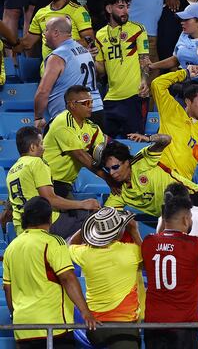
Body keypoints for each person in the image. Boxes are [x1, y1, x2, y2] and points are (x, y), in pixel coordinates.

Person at [3, 197, 98, 347]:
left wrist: (16, 315)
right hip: (53, 327)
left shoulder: (11, 248)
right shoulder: (54, 242)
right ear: (49, 218)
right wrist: (85, 311)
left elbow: (7, 288)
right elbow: (67, 278)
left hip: (22, 328)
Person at [142, 187, 198, 349]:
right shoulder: (196, 244)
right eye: (190, 217)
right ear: (185, 219)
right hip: (184, 325)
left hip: (153, 324)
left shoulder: (149, 242)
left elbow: (160, 237)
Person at [69, 207, 143, 348]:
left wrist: (87, 225)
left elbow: (71, 243)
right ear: (120, 231)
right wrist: (134, 231)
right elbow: (148, 257)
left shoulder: (85, 253)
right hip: (123, 327)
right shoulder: (131, 251)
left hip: (95, 328)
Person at [6, 126, 100, 236]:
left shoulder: (11, 171)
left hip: (21, 230)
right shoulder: (37, 163)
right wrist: (83, 204)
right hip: (43, 224)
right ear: (32, 147)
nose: (44, 148)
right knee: (91, 215)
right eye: (41, 143)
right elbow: (50, 199)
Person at [101, 138, 198, 216]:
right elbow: (105, 215)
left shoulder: (142, 161)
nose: (111, 173)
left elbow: (166, 140)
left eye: (115, 167)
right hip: (171, 216)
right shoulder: (119, 193)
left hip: (193, 198)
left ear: (127, 162)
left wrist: (149, 138)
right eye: (108, 169)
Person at [95, 0, 150, 138]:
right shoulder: (100, 35)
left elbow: (144, 59)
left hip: (134, 97)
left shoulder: (137, 29)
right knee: (105, 145)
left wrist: (145, 80)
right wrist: (92, 58)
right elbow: (101, 71)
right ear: (109, 8)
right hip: (111, 98)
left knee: (135, 144)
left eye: (127, 6)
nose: (126, 11)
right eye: (121, 7)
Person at [43, 85, 113, 199]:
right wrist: (108, 178)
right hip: (46, 179)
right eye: (85, 103)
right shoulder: (62, 122)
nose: (91, 106)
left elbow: (108, 150)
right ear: (72, 105)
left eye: (91, 102)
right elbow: (80, 155)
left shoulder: (92, 128)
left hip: (63, 182)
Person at [34, 17, 103, 130]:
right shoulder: (84, 51)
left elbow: (43, 91)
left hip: (72, 116)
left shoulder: (58, 56)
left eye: (46, 30)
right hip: (96, 111)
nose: (44, 34)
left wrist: (38, 117)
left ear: (55, 32)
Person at [13, 0, 95, 71]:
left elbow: (89, 39)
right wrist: (11, 42)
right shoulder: (41, 13)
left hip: (71, 71)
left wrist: (60, 45)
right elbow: (27, 43)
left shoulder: (78, 11)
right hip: (47, 72)